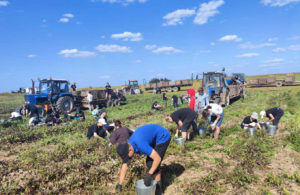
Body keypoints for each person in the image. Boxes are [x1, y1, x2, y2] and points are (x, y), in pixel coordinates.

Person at [115, 124, 170, 194]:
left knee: (151, 163)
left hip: (163, 136)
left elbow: (157, 159)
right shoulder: (129, 146)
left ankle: (159, 190)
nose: (128, 159)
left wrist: (149, 174)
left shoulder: (141, 144)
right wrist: (120, 183)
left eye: (127, 157)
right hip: (152, 137)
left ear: (129, 149)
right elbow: (125, 165)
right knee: (150, 163)